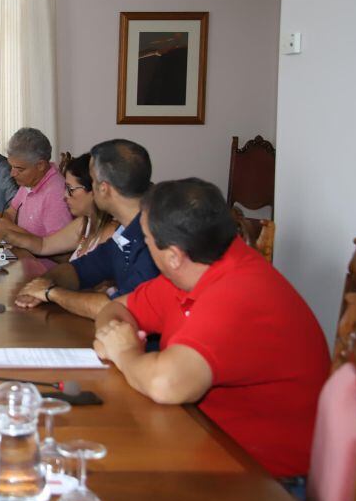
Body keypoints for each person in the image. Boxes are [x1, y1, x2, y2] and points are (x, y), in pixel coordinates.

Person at [93, 178, 328, 479]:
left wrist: (124, 351)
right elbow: (115, 308)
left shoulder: (238, 292)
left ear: (174, 256)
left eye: (148, 240)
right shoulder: (191, 272)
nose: (145, 245)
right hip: (204, 442)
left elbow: (165, 384)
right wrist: (111, 336)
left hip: (266, 484)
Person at [15, 139, 160, 319]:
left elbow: (118, 308)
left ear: (103, 189)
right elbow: (78, 270)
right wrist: (45, 282)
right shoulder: (125, 232)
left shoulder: (154, 239)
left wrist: (51, 292)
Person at [0, 152, 115, 261]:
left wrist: (50, 290)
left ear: (97, 190)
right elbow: (44, 245)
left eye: (71, 189)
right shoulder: (84, 223)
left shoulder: (111, 234)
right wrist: (5, 235)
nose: (64, 195)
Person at [0, 128, 73, 245]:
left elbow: (60, 251)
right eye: (11, 167)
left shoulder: (57, 195)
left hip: (38, 262)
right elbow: (10, 213)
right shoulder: (30, 181)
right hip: (20, 254)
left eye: (19, 169)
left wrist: (13, 231)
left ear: (40, 165)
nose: (12, 174)